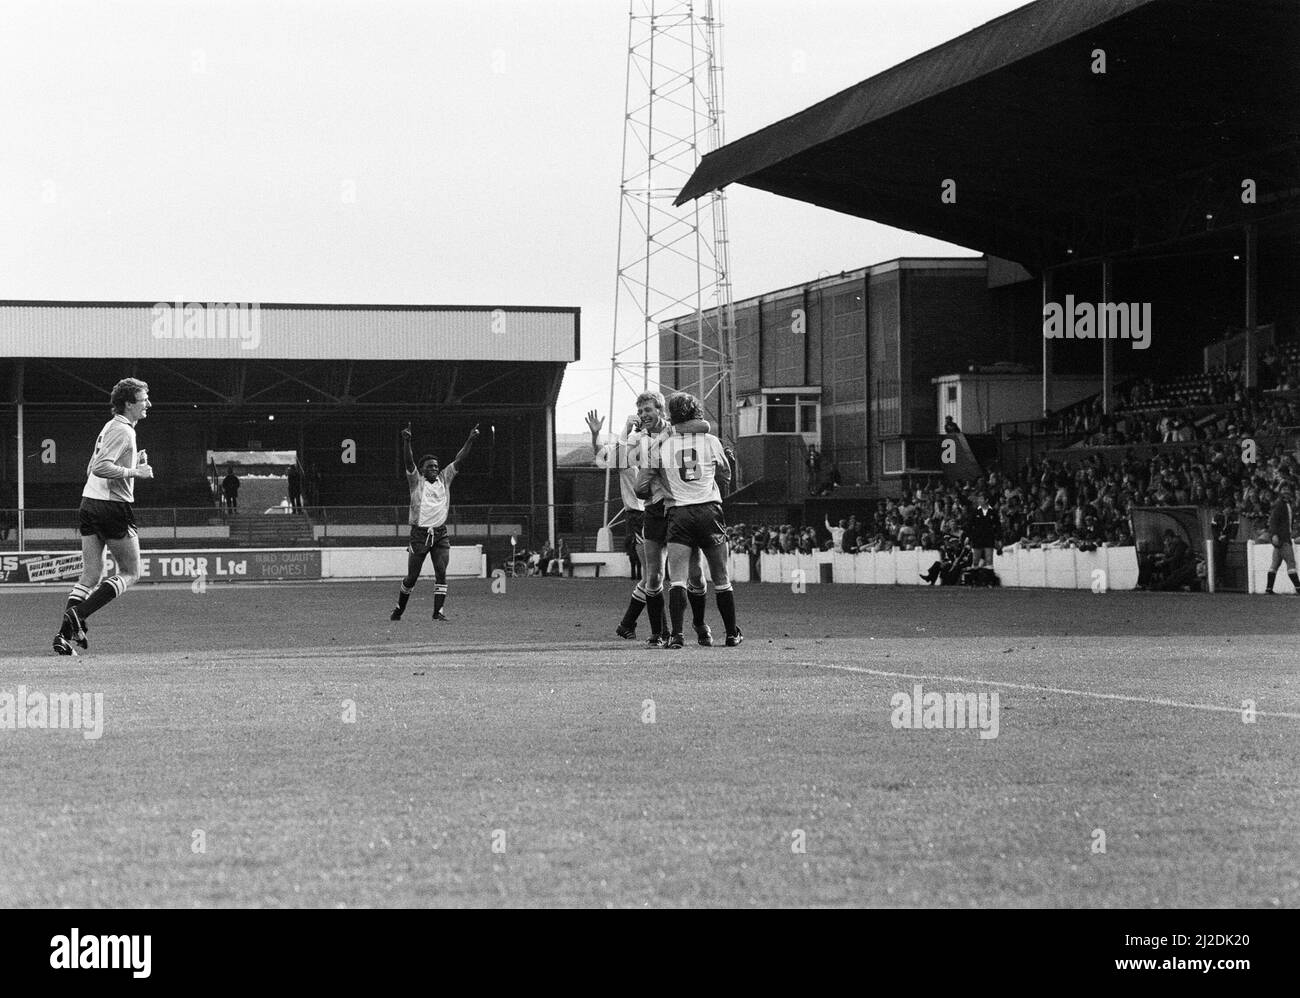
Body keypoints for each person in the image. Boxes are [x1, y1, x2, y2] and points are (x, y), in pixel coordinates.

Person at [54, 378, 154, 655]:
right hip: (111, 507)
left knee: (91, 575)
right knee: (132, 571)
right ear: (129, 403)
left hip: (89, 503)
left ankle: (62, 638)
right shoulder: (124, 431)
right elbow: (100, 466)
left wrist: (132, 462)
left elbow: (91, 468)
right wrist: (136, 472)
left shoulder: (110, 428)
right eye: (143, 399)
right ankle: (78, 615)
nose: (148, 403)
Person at [635, 392, 742, 649]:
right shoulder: (711, 441)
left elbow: (640, 488)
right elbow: (727, 476)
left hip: (679, 513)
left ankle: (677, 636)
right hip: (709, 510)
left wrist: (659, 487)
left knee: (678, 578)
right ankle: (730, 633)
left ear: (670, 415)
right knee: (721, 577)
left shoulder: (661, 446)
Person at [389, 422, 479, 621]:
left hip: (440, 533)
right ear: (421, 469)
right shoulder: (416, 481)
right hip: (419, 534)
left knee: (441, 572)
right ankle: (399, 609)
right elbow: (408, 462)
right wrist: (407, 442)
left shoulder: (445, 479)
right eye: (430, 466)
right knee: (412, 577)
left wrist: (470, 440)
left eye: (436, 466)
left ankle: (438, 612)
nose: (434, 469)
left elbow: (459, 459)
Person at [1265, 482, 1300, 594]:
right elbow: (1273, 521)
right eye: (1284, 489)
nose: (1286, 491)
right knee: (1291, 563)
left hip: (1281, 538)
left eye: (1288, 489)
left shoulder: (1286, 504)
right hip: (1283, 539)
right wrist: (1274, 534)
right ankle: (1298, 588)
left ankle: (1269, 589)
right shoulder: (1280, 504)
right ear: (1281, 492)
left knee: (1274, 565)